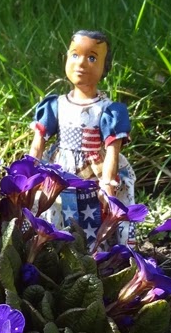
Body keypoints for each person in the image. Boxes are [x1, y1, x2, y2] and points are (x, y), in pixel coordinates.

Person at [29, 30, 136, 246]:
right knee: (55, 204)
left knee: (93, 208)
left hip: (94, 168)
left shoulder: (109, 110)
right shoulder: (55, 105)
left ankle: (95, 250)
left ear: (105, 67)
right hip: (60, 166)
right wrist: (30, 171)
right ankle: (53, 247)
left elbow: (113, 150)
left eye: (92, 58)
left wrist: (107, 183)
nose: (81, 63)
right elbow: (38, 143)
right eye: (75, 55)